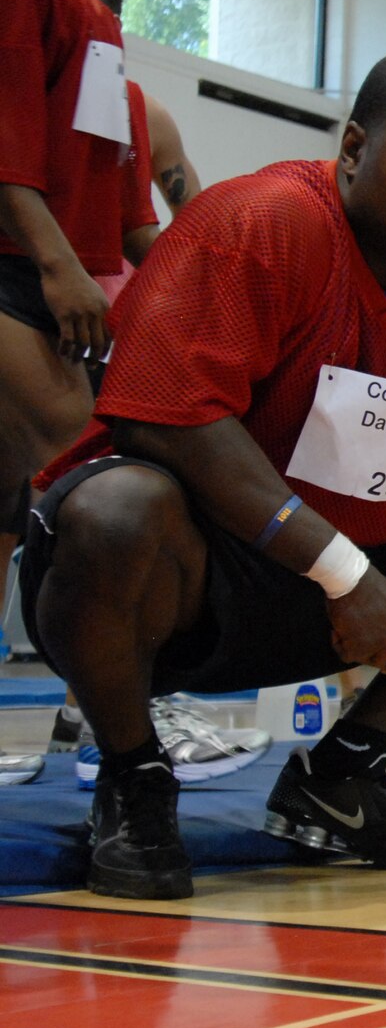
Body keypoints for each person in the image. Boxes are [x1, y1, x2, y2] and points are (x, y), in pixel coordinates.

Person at [25, 49, 386, 902]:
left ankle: (345, 776)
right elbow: (161, 414)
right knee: (116, 508)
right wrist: (340, 567)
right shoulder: (257, 221)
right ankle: (133, 775)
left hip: (339, 589)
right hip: (176, 587)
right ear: (355, 149)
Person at [39, 72, 275, 786]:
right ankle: (100, 707)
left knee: (120, 508)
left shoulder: (143, 110)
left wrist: (201, 297)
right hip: (39, 304)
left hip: (113, 328)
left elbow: (195, 223)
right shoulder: (32, 85)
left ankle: (100, 706)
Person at [0, 0, 137, 786]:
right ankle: (115, 719)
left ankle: (86, 718)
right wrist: (58, 263)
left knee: (8, 508)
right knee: (93, 487)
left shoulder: (104, 12)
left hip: (60, 276)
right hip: (22, 268)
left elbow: (119, 199)